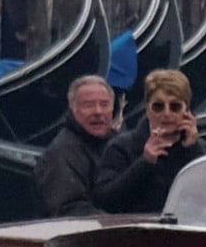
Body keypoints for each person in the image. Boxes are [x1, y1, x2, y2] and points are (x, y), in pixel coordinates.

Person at [36, 71, 170, 216]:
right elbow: (68, 210)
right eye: (88, 105)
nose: (98, 111)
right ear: (73, 109)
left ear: (113, 108)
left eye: (104, 104)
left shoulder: (121, 143)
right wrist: (120, 227)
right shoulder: (61, 154)